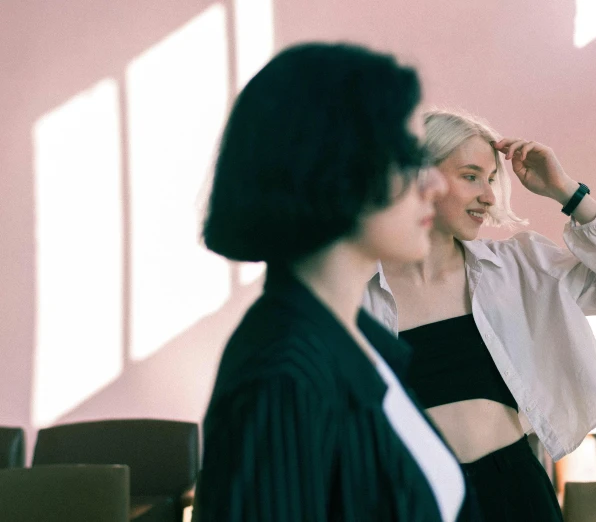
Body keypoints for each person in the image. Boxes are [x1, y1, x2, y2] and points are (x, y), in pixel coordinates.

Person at [196, 45, 480, 522]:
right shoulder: (283, 376)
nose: (435, 185)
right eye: (410, 157)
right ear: (334, 164)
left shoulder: (362, 340)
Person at [363, 109, 596, 521]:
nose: (489, 196)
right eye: (471, 176)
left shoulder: (521, 268)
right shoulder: (353, 293)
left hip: (512, 493)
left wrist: (567, 192)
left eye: (491, 179)